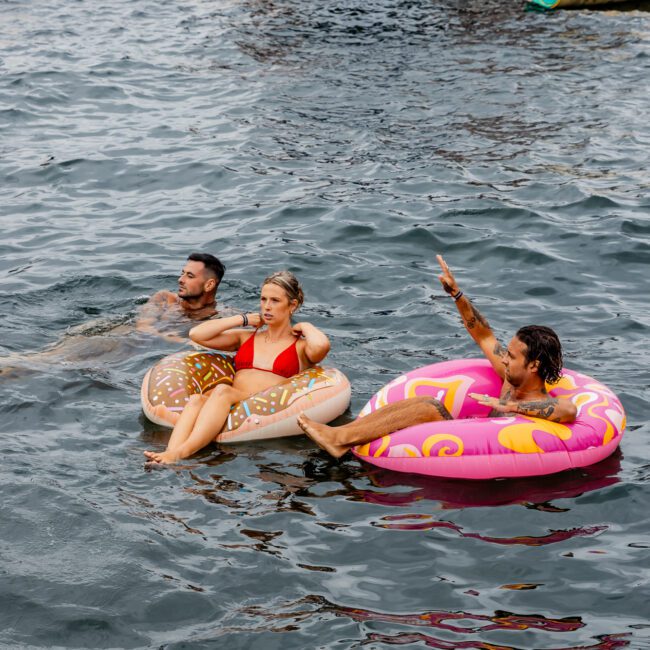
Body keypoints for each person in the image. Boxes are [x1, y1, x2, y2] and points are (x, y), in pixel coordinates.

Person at [297, 254, 577, 459]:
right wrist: (457, 294)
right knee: (424, 401)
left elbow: (568, 411)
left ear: (534, 365)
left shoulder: (543, 403)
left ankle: (338, 437)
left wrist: (509, 408)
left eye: (512, 356)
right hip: (469, 434)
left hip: (479, 455)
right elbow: (484, 335)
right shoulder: (510, 379)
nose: (504, 359)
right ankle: (345, 436)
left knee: (429, 409)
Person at [143, 271, 331, 464]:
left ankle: (180, 454)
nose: (267, 306)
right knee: (197, 399)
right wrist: (243, 319)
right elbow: (197, 334)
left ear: (292, 305)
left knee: (223, 390)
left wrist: (306, 326)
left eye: (275, 300)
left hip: (262, 404)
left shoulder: (300, 346)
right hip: (230, 400)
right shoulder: (246, 337)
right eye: (263, 299)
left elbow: (321, 346)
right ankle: (169, 452)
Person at [0, 252, 226, 375]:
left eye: (189, 276)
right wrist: (181, 341)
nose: (180, 279)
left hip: (130, 349)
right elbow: (143, 327)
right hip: (116, 338)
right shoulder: (164, 298)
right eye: (182, 273)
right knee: (46, 361)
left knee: (45, 363)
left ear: (209, 285)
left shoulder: (220, 317)